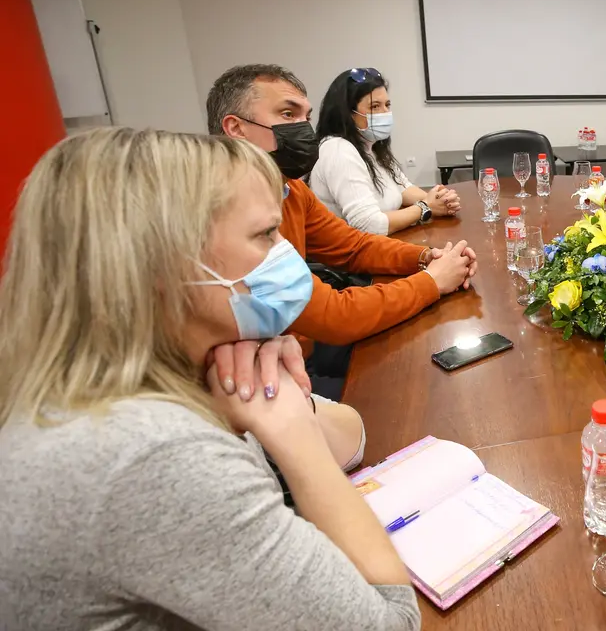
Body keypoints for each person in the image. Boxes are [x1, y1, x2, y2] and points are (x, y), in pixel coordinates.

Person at [0, 128, 420, 630]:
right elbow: (389, 624)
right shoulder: (153, 455)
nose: (289, 254)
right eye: (267, 235)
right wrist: (295, 440)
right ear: (164, 266)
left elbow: (352, 436)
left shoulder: (144, 388)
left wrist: (287, 402)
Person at [207, 64, 476, 397]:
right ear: (236, 128)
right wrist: (433, 281)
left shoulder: (289, 189)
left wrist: (425, 257)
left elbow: (353, 246)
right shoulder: (230, 213)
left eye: (305, 117)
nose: (304, 129)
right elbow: (334, 316)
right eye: (288, 114)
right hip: (271, 384)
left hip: (300, 352)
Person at [311, 67, 461, 235]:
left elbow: (402, 188)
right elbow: (369, 225)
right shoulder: (338, 151)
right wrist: (426, 207)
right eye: (375, 106)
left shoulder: (371, 146)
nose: (385, 113)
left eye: (387, 105)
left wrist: (441, 201)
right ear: (347, 114)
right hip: (352, 256)